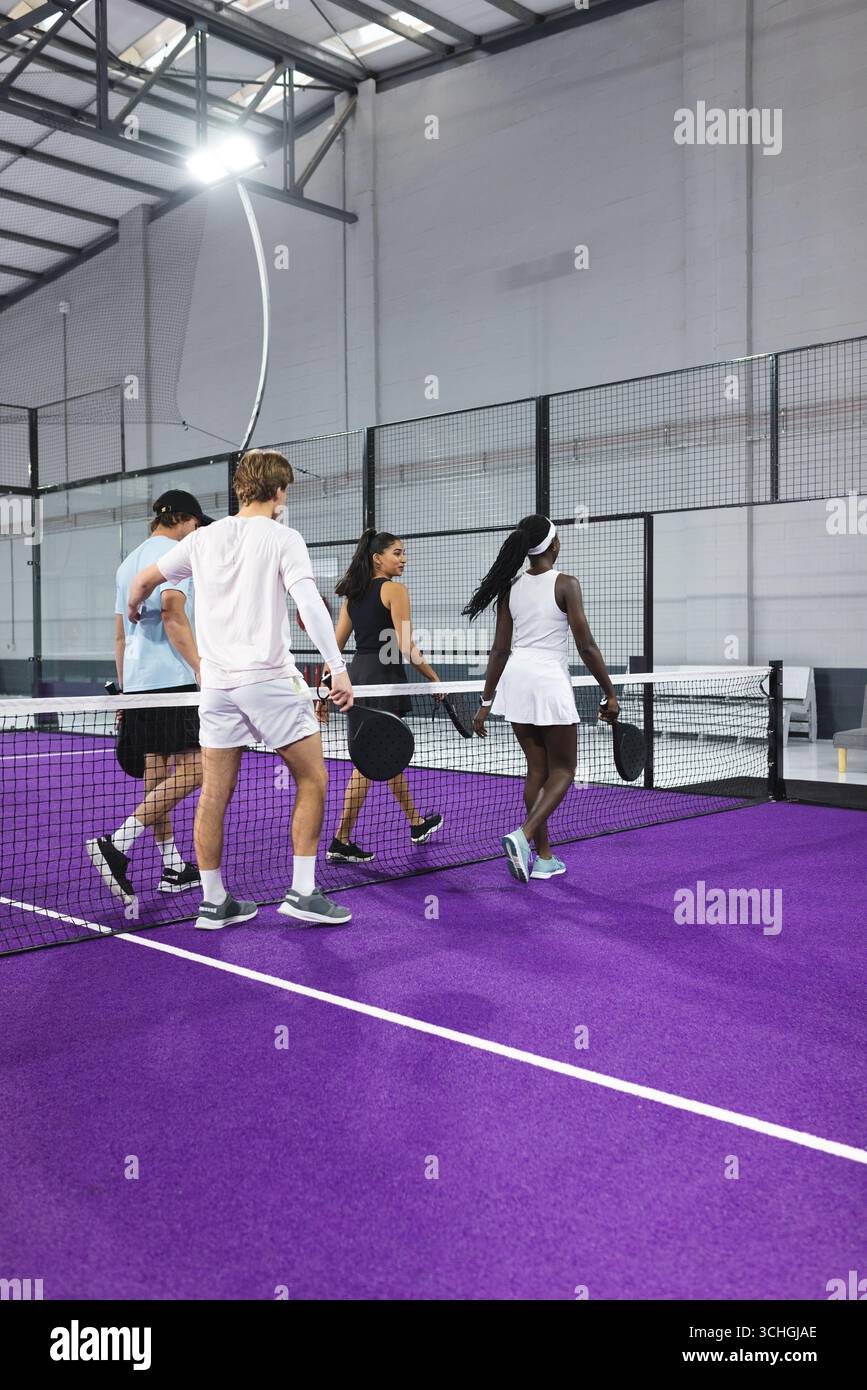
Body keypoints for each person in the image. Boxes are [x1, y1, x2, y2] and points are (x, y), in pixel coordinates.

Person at [126, 449, 354, 929]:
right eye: (285, 491)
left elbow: (145, 579)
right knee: (312, 779)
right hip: (268, 680)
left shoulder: (202, 539)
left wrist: (133, 603)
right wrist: (336, 667)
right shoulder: (284, 538)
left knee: (215, 792)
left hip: (217, 687)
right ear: (277, 493)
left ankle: (214, 902)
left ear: (238, 490)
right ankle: (303, 892)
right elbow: (308, 601)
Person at [464, 513, 619, 884]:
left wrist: (486, 702)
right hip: (548, 680)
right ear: (553, 545)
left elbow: (499, 650)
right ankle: (524, 835)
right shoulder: (566, 584)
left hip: (517, 680)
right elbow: (586, 645)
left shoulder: (510, 588)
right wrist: (609, 692)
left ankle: (544, 857)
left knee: (538, 771)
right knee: (565, 770)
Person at [87, 489, 211, 905]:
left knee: (157, 778)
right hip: (174, 682)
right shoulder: (178, 557)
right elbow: (174, 615)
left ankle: (173, 865)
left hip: (139, 686)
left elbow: (121, 637)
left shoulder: (126, 565)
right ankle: (118, 843)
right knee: (199, 770)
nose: (197, 532)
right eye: (196, 524)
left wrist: (124, 694)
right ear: (183, 519)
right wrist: (200, 668)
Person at [325, 528, 443, 864]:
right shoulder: (394, 590)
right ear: (378, 558)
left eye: (403, 553)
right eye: (397, 553)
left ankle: (417, 823)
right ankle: (340, 839)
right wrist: (434, 679)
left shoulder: (353, 596)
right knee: (370, 759)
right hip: (382, 678)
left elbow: (335, 647)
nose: (403, 559)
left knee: (384, 753)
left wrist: (327, 684)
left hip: (357, 678)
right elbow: (405, 646)